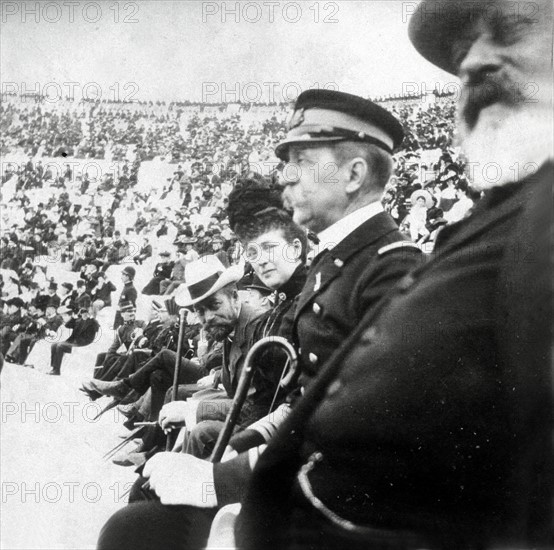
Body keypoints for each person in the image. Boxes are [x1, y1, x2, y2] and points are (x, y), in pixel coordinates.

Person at [231, 2, 553, 548]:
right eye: (460, 55)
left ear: (356, 174)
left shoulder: (400, 260)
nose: (473, 63)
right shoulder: (499, 216)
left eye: (510, 33)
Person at [98, 90, 423, 549]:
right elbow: (301, 400)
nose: (285, 180)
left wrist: (224, 478)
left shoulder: (391, 269)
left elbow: (358, 427)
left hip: (339, 505)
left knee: (135, 532)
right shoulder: (336, 264)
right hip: (295, 474)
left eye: (302, 163)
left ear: (354, 174)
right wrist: (243, 442)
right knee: (134, 524)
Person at [48, 307, 99, 376]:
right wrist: (73, 317)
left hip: (82, 343)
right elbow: (67, 325)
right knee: (54, 345)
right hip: (73, 342)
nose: (85, 314)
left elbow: (96, 329)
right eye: (83, 313)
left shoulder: (93, 322)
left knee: (60, 346)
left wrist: (92, 318)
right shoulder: (78, 320)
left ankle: (57, 370)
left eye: (87, 313)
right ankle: (53, 367)